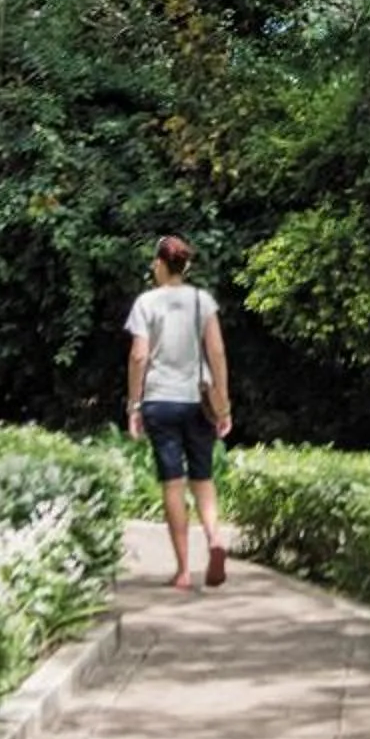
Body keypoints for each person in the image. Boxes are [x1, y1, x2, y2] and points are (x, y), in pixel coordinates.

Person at [125, 233, 234, 591]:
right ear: (185, 267)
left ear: (159, 263)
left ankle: (184, 571)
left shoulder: (146, 303)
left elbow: (139, 355)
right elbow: (216, 352)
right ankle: (215, 539)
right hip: (199, 399)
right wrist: (223, 403)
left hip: (160, 401)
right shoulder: (203, 301)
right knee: (203, 478)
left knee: (172, 482)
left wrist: (134, 404)